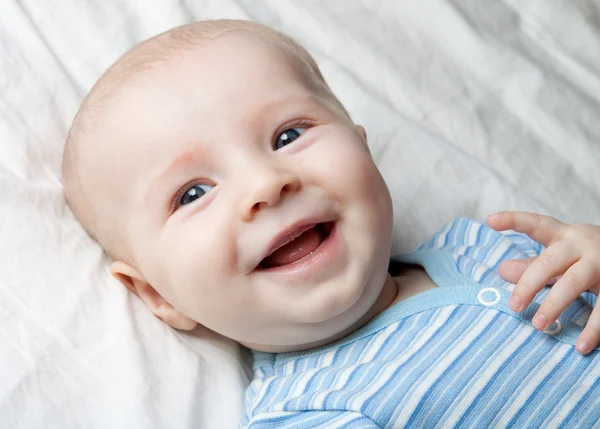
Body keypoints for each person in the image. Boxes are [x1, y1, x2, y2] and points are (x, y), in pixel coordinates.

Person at [62, 19, 600, 428]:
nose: (266, 184)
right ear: (157, 294)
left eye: (288, 136)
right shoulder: (311, 409)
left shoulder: (493, 244)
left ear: (363, 148)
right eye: (193, 193)